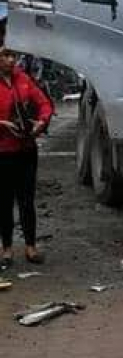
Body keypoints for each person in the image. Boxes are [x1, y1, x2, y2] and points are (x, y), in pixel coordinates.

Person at [0, 39, 53, 266]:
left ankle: (30, 247)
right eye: (5, 55)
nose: (11, 60)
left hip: (26, 150)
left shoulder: (24, 79)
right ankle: (7, 248)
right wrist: (2, 123)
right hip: (3, 151)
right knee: (4, 201)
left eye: (13, 55)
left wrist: (41, 122)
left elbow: (45, 104)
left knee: (27, 200)